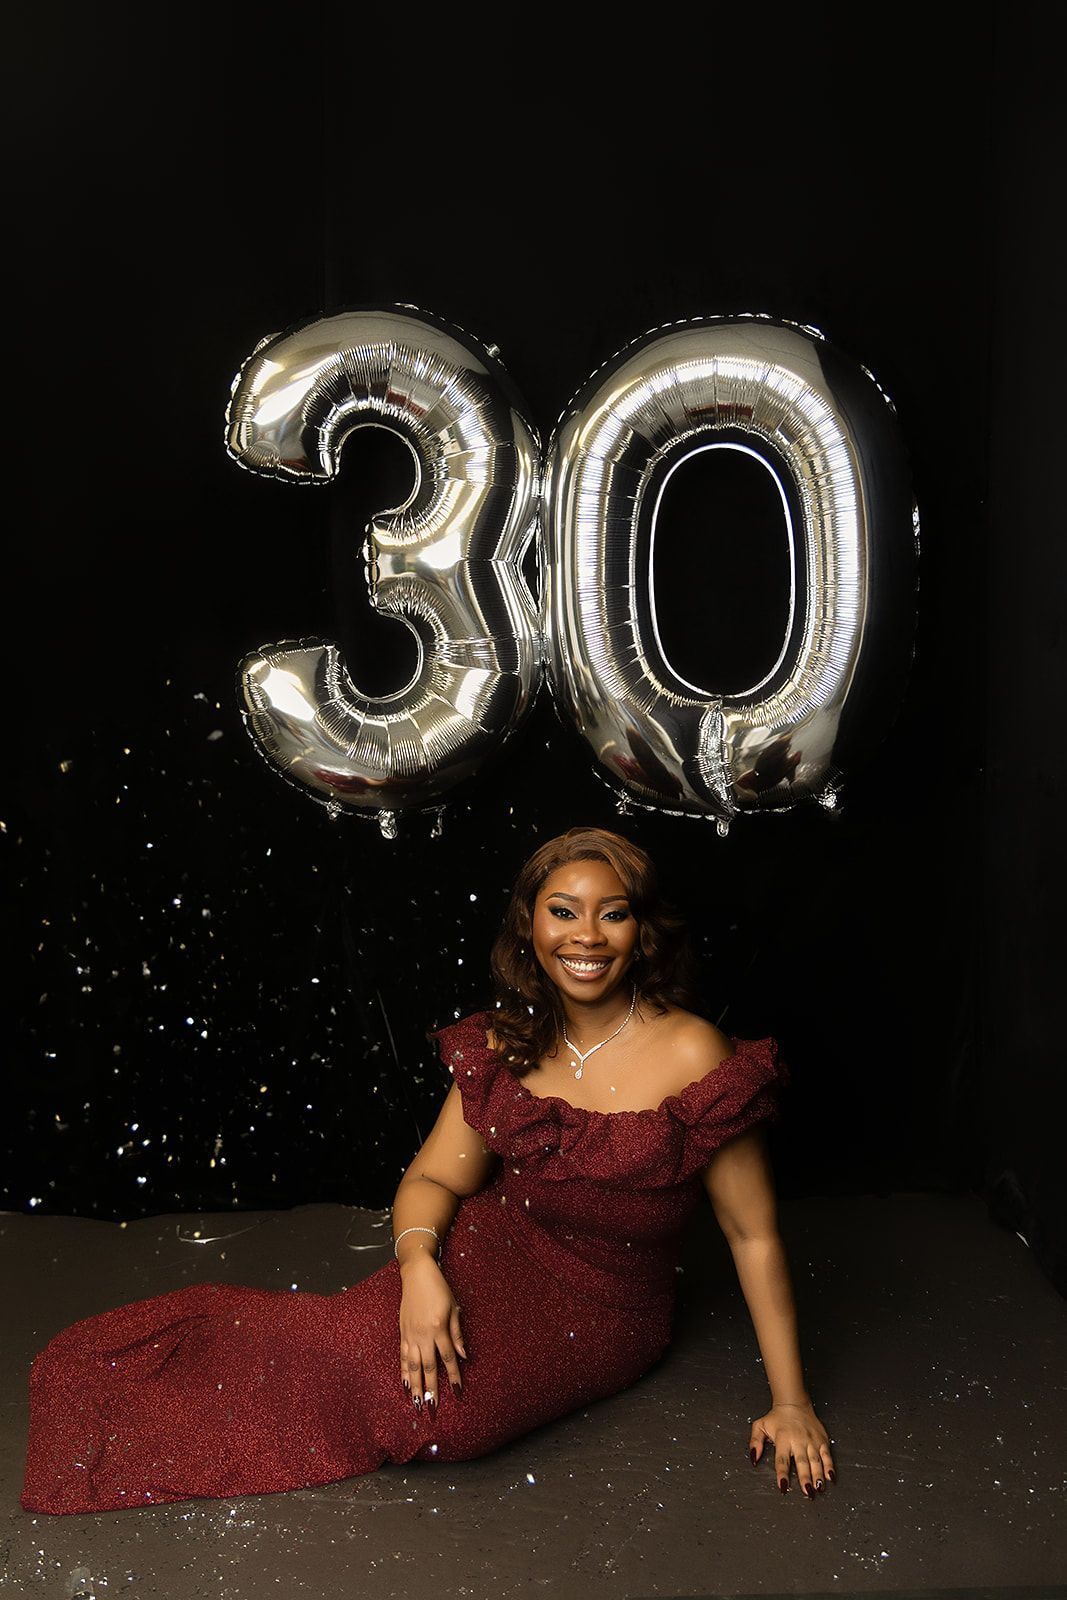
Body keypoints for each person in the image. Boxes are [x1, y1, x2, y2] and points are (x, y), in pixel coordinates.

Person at [21, 826, 834, 1514]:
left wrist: (790, 1403)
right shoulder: (510, 1044)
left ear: (641, 930)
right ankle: (134, 1376)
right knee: (337, 1348)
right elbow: (431, 1182)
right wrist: (418, 1271)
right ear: (529, 927)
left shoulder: (695, 1053)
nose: (584, 936)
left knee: (442, 1419)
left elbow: (751, 1234)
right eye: (562, 912)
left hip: (607, 1314)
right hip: (486, 1255)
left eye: (611, 915)